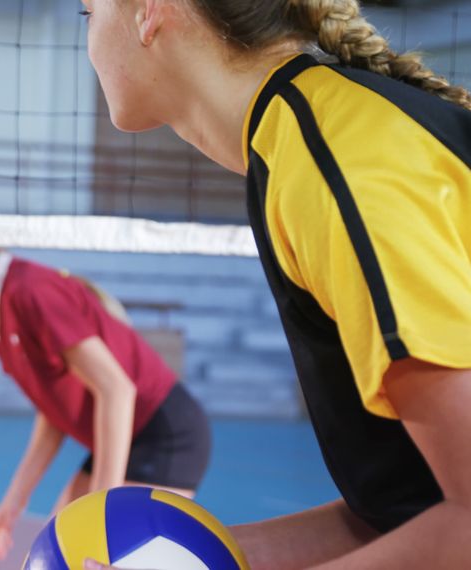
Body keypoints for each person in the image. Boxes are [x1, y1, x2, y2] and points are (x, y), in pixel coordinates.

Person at [79, 0, 471, 568]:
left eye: (87, 12)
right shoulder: (301, 140)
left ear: (149, 11)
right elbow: (403, 508)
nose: (88, 38)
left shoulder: (341, 160)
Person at [0, 180, 211, 562]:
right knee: (57, 552)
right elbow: (52, 409)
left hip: (165, 433)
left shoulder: (30, 291)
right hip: (129, 435)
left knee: (98, 552)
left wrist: (104, 506)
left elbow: (117, 390)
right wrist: (14, 499)